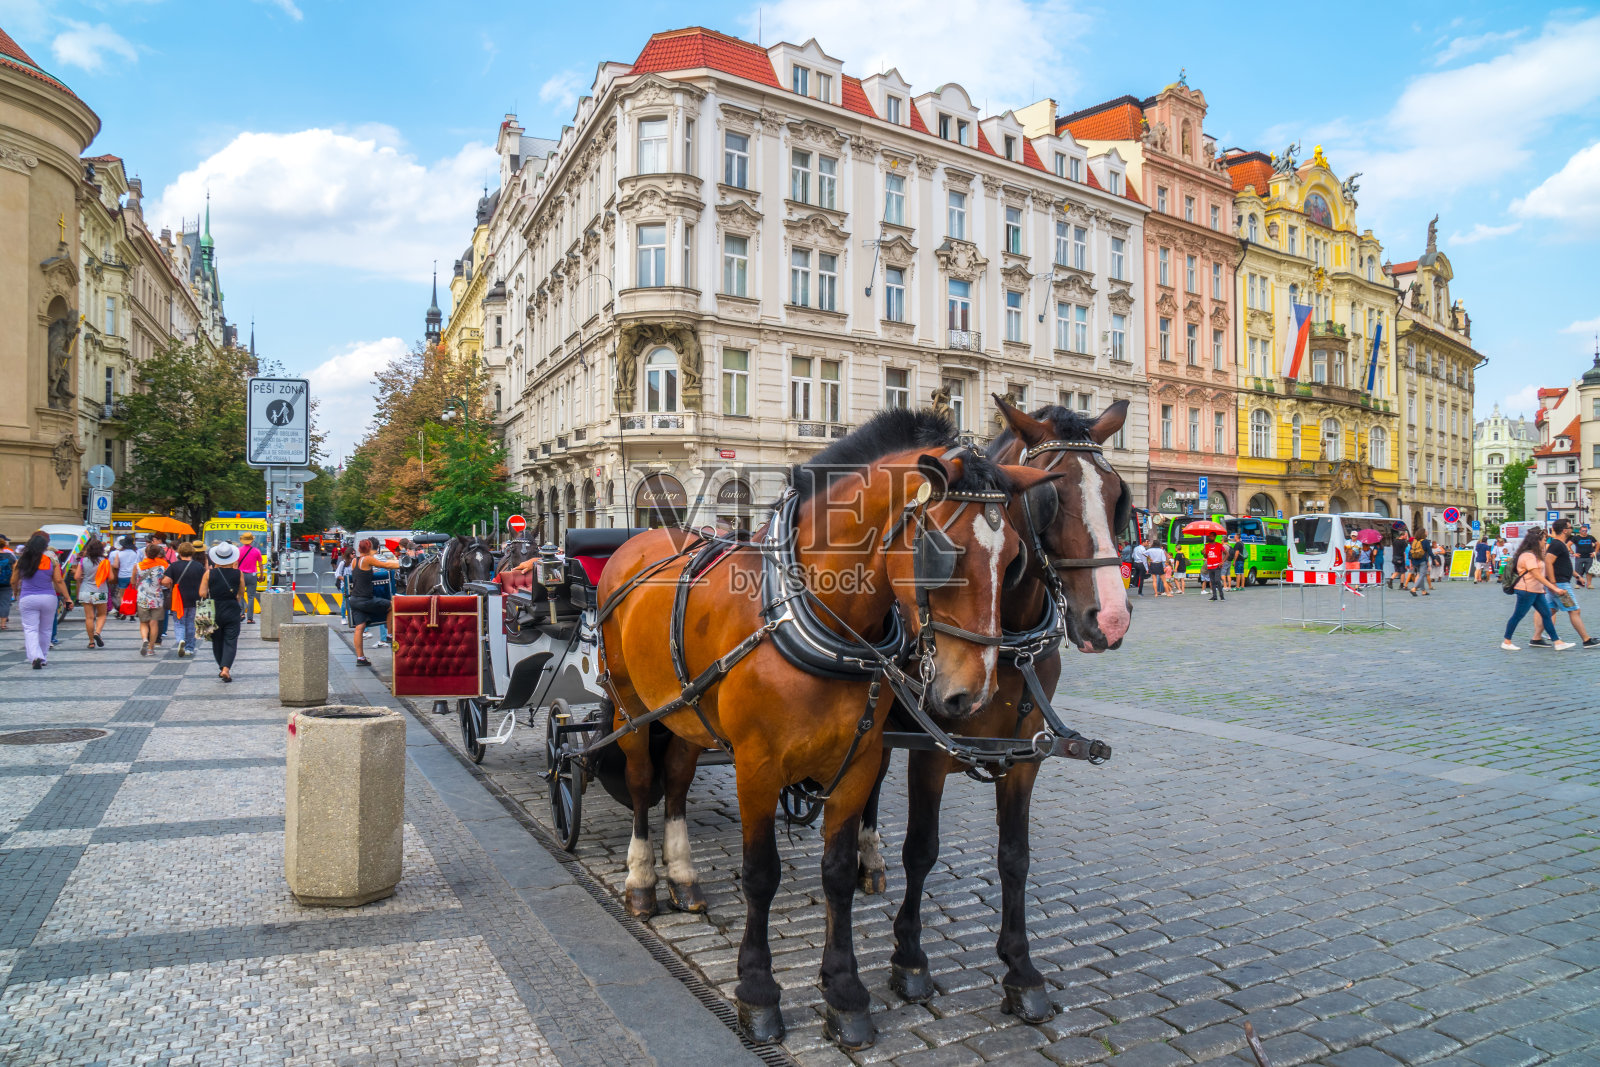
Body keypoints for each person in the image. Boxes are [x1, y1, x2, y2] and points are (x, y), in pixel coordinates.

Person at [1529, 519, 1598, 649]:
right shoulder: (1557, 544)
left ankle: (1536, 638)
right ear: (1565, 530)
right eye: (1571, 527)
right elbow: (1549, 562)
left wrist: (1577, 576)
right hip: (1560, 584)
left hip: (1559, 583)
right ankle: (1586, 640)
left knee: (1550, 610)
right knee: (1574, 610)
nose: (1573, 529)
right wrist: (1553, 583)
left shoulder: (1561, 544)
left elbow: (1564, 564)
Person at [1503, 528, 1572, 651]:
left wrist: (1546, 536)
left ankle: (1557, 642)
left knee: (1546, 615)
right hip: (1526, 590)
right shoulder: (1527, 556)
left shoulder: (1536, 554)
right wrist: (1554, 588)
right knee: (1518, 615)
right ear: (1537, 541)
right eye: (1544, 540)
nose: (1545, 542)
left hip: (1537, 591)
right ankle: (1507, 641)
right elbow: (1537, 575)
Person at [12, 531, 67, 668]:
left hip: (28, 598)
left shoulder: (21, 561)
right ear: (44, 547)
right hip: (48, 598)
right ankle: (43, 657)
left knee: (31, 629)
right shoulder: (50, 561)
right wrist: (67, 598)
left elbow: (14, 581)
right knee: (46, 629)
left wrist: (15, 592)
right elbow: (59, 581)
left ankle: (35, 656)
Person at [200, 541, 246, 682]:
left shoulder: (209, 574)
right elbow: (240, 593)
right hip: (231, 608)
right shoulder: (238, 573)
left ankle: (222, 667)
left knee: (217, 640)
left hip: (213, 609)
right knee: (231, 640)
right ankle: (226, 669)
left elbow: (202, 593)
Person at [348, 538, 399, 666]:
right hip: (366, 599)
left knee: (360, 627)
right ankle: (389, 635)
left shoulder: (354, 561)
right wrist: (402, 564)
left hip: (354, 599)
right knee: (391, 606)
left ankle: (360, 658)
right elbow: (386, 565)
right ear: (369, 548)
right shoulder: (368, 559)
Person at [162, 542, 206, 657]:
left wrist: (171, 586)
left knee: (179, 622)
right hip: (195, 598)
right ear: (192, 552)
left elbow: (165, 581)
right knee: (191, 623)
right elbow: (205, 581)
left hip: (179, 598)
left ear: (179, 552)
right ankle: (190, 648)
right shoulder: (198, 566)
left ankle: (181, 640)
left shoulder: (174, 566)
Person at [72, 536, 112, 649]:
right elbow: (111, 577)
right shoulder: (105, 562)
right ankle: (97, 633)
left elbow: (76, 576)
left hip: (85, 591)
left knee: (89, 617)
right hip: (101, 591)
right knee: (102, 615)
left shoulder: (83, 561)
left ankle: (91, 642)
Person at [134, 544, 169, 656]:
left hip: (142, 597)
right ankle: (151, 648)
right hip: (157, 597)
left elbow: (132, 581)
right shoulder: (162, 567)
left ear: (146, 553)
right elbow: (165, 582)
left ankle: (145, 639)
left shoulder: (138, 566)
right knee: (154, 623)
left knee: (143, 622)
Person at [237, 533, 263, 623]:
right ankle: (250, 618)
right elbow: (260, 564)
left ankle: (241, 613)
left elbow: (236, 564)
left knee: (240, 595)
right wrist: (261, 575)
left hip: (241, 575)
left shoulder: (238, 550)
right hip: (252, 575)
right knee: (251, 597)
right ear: (252, 540)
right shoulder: (256, 551)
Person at [1202, 535, 1227, 601]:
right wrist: (1204, 553)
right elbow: (1206, 556)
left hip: (1217, 565)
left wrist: (1222, 562)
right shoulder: (1206, 546)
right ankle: (1214, 596)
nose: (1210, 537)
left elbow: (1227, 554)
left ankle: (1222, 596)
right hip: (1210, 566)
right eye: (1209, 536)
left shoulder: (1219, 545)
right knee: (1212, 581)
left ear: (1215, 537)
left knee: (1217, 580)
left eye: (1211, 536)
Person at [1573, 524, 1597, 590]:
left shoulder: (1590, 537)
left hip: (1589, 556)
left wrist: (1595, 552)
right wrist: (1573, 553)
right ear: (1580, 531)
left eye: (1586, 531)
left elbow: (1598, 544)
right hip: (1579, 557)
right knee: (1578, 570)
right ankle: (1578, 583)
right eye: (1583, 531)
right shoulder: (1576, 538)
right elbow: (1568, 545)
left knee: (1589, 571)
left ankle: (1589, 584)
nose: (1585, 532)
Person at [0, 536, 13, 631]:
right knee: (5, 603)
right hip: (6, 583)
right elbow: (16, 568)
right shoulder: (9, 556)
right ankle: (3, 624)